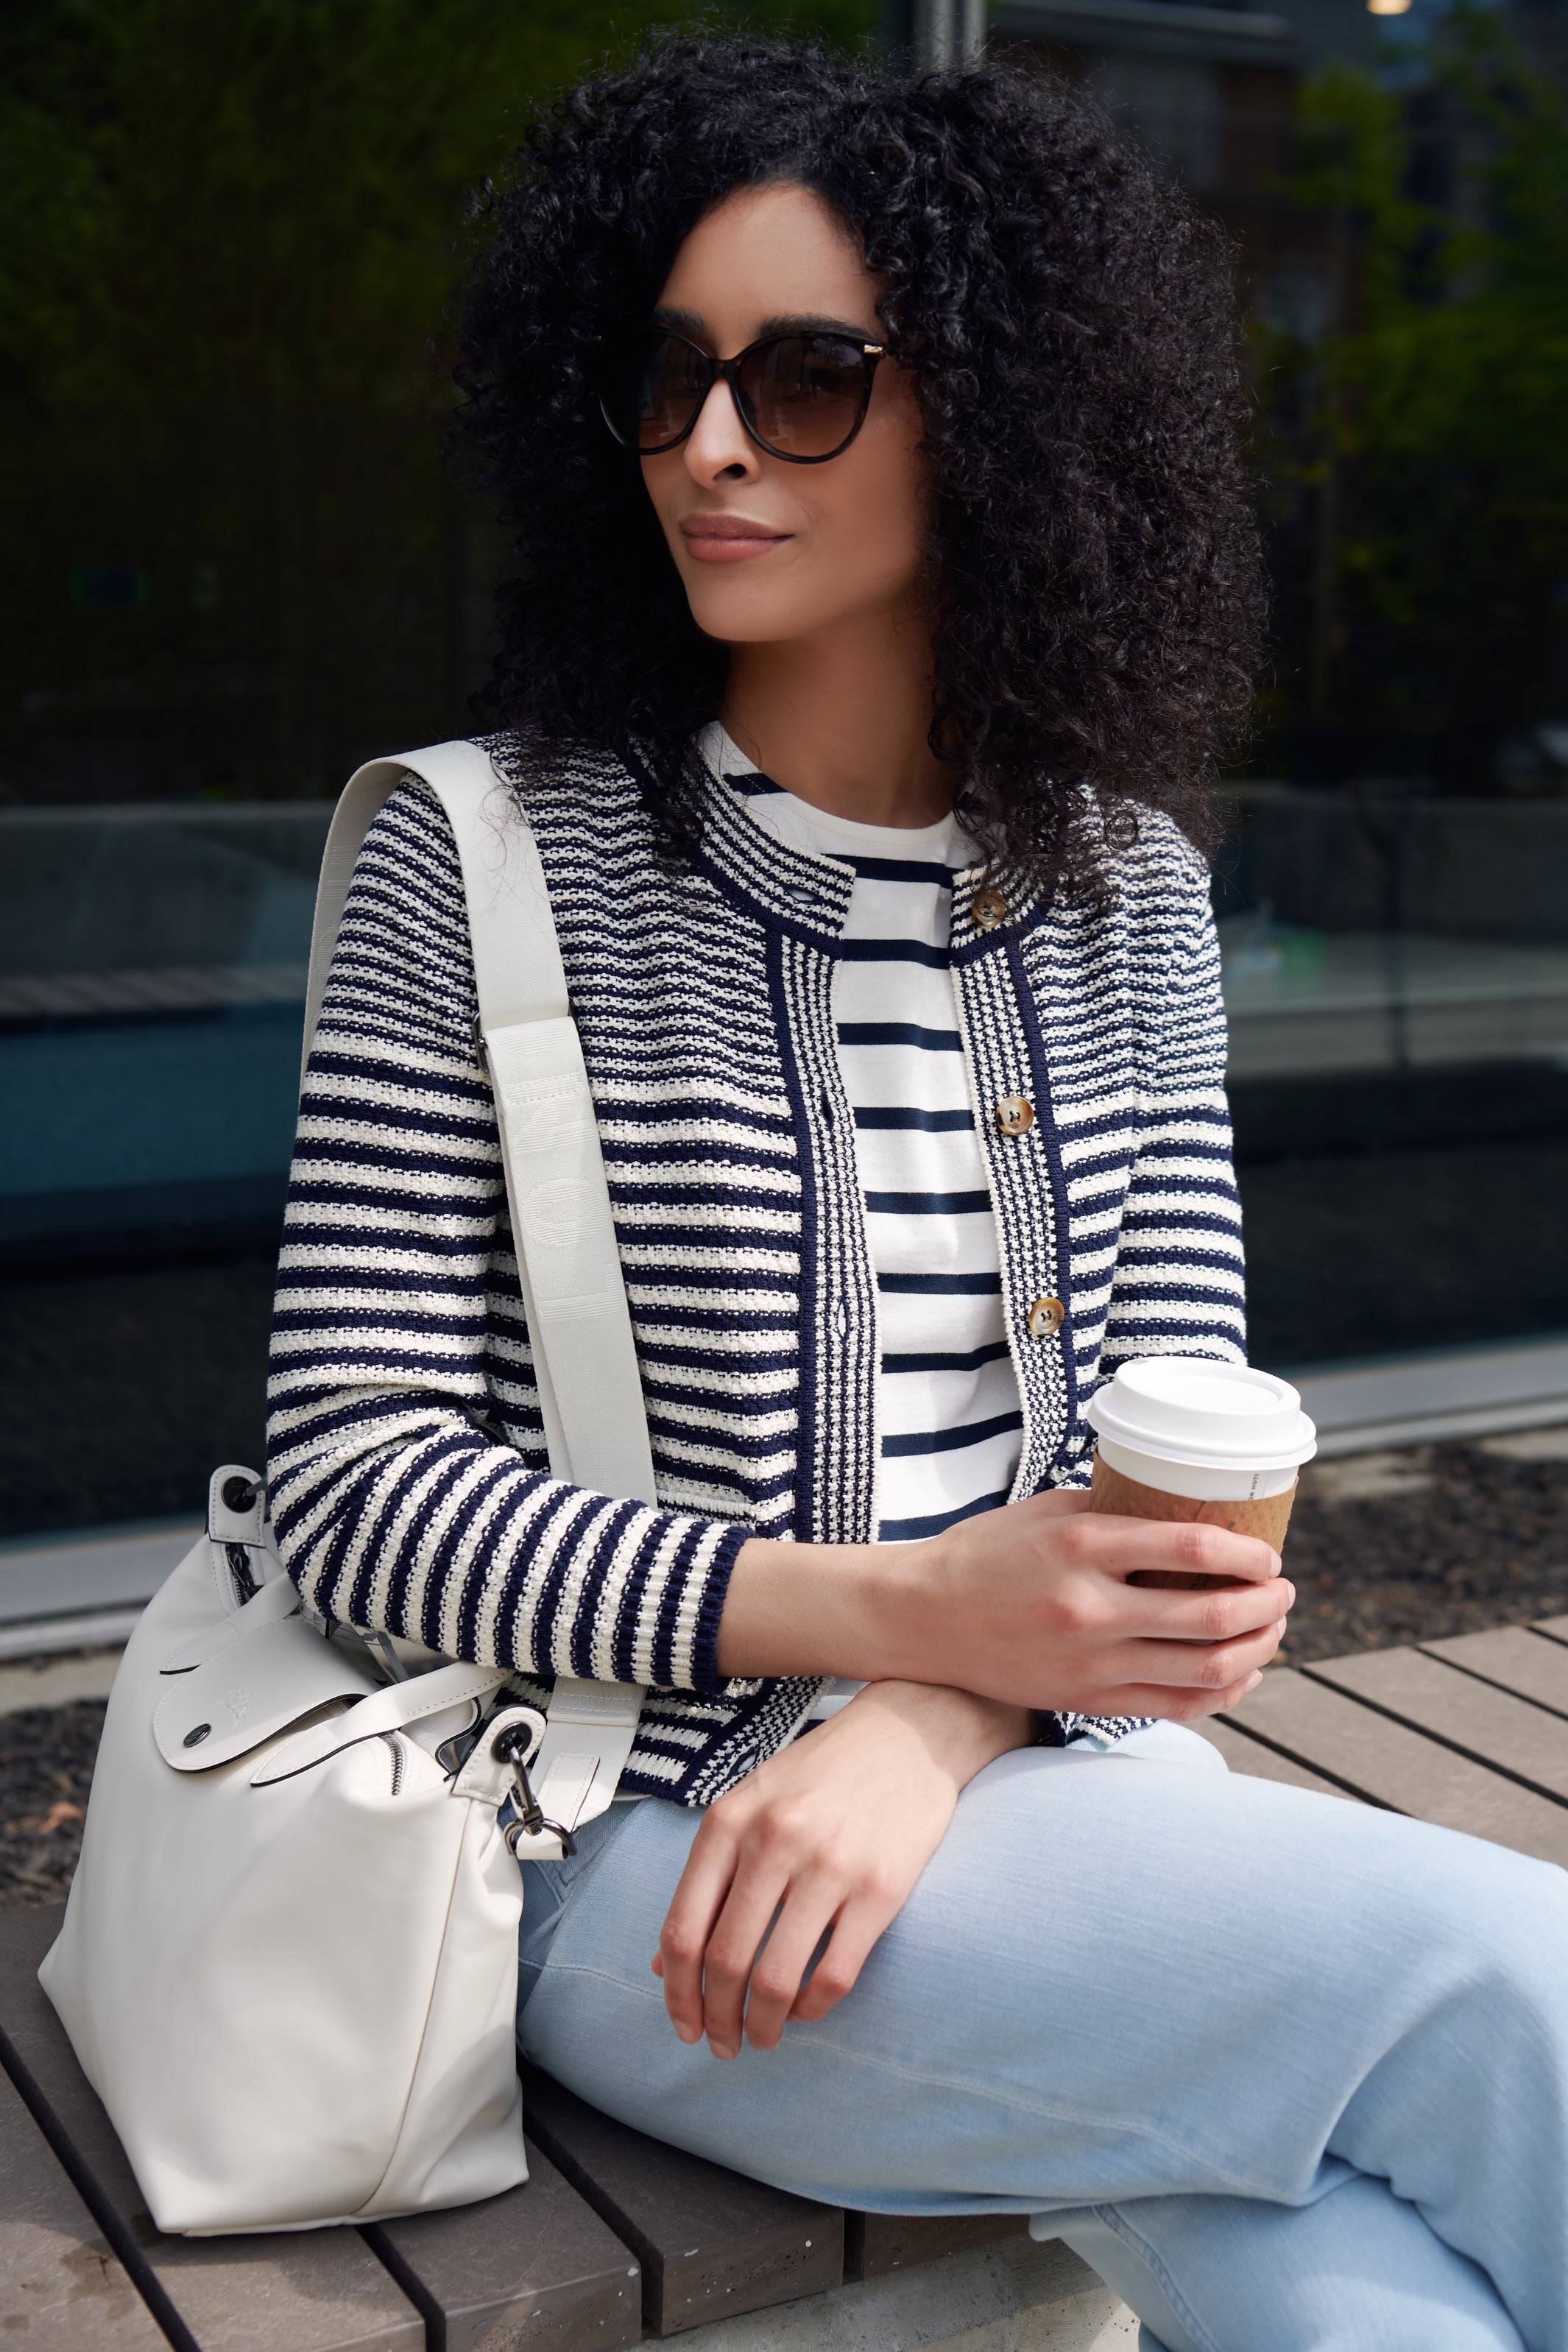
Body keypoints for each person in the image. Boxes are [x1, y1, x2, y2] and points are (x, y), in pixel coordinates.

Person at [266, 40, 1568, 2351]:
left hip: (1038, 1796)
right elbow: (359, 1490)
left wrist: (937, 1711)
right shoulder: (470, 866)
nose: (712, 444)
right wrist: (902, 1620)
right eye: (668, 377)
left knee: (1359, 2303)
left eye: (808, 375)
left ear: (1003, 420)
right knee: (1503, 1969)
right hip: (623, 1847)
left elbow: (1165, 1463)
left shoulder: (1124, 898)